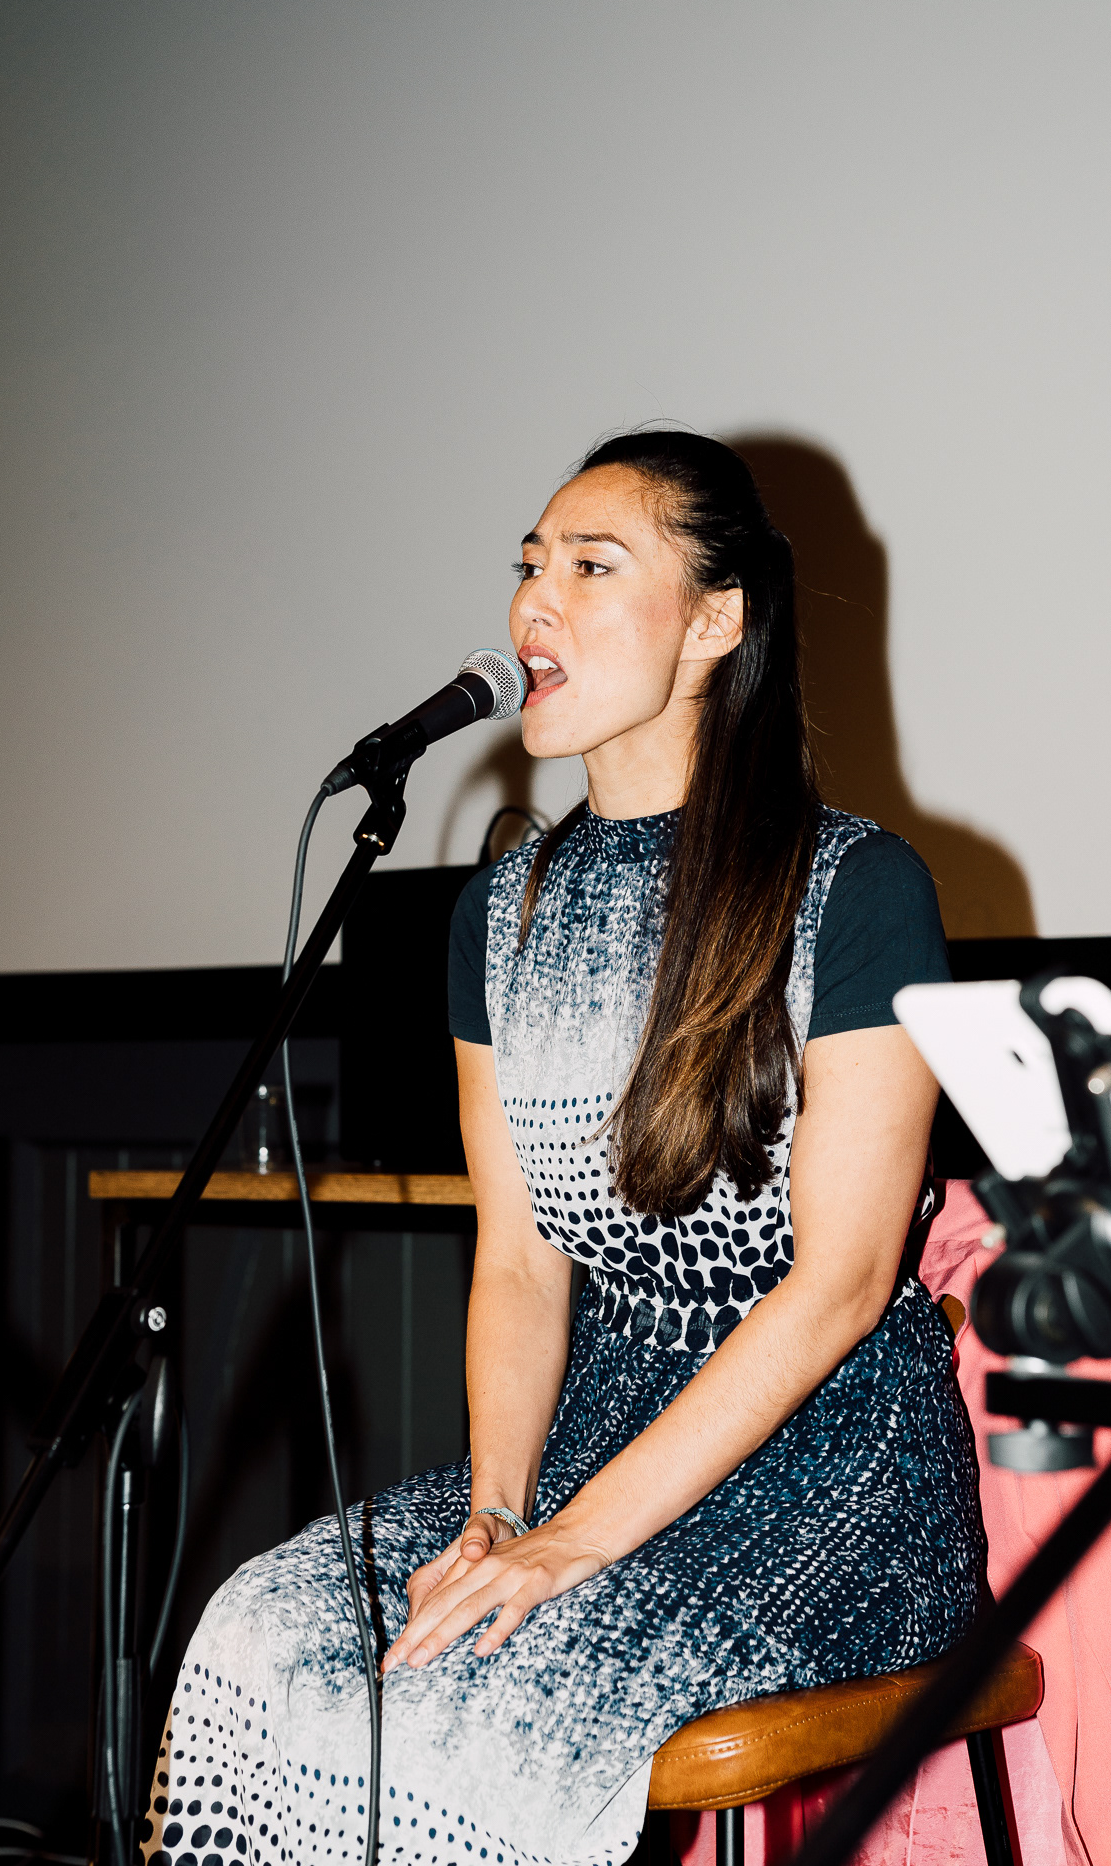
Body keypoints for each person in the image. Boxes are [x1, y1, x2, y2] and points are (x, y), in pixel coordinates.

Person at [141, 432, 986, 1866]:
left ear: (714, 623)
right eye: (531, 565)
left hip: (834, 1472)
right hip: (589, 1442)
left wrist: (575, 1542)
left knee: (486, 1732)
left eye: (593, 567)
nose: (535, 601)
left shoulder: (855, 888)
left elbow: (840, 1287)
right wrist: (494, 1514)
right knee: (257, 1641)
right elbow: (522, 1266)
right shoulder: (502, 913)